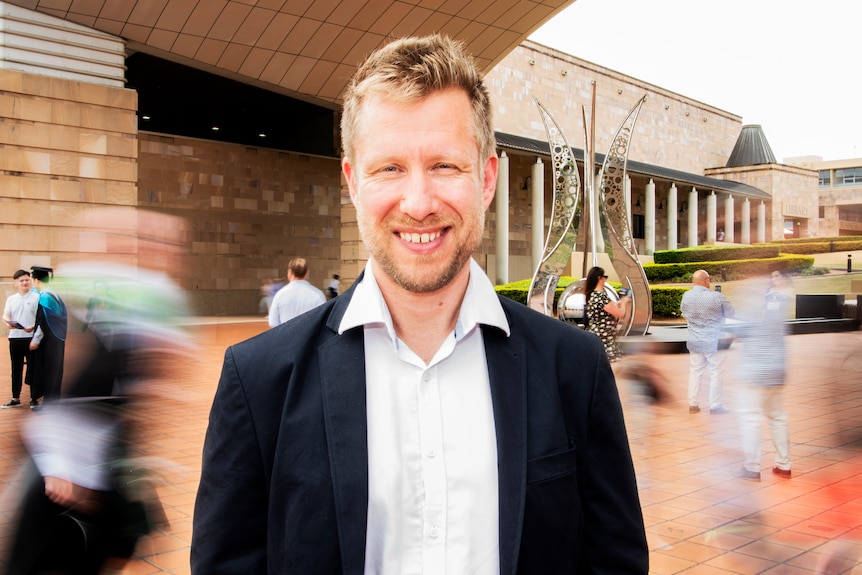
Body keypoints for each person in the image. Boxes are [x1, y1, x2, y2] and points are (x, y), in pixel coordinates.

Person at [192, 34, 647, 574]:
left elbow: (613, 561)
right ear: (352, 182)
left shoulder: (574, 368)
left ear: (487, 177)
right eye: (389, 168)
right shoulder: (259, 380)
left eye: (444, 166)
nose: (419, 203)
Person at [736, 270, 792, 481]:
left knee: (751, 418)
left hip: (754, 372)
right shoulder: (780, 305)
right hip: (777, 370)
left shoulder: (755, 304)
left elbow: (740, 329)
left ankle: (751, 467)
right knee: (778, 417)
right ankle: (784, 464)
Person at [680, 269, 735, 414]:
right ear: (706, 280)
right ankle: (715, 405)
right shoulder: (717, 297)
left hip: (694, 341)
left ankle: (693, 404)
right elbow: (731, 313)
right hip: (713, 341)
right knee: (716, 373)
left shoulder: (686, 296)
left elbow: (684, 313)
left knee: (695, 372)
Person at [28, 266, 67, 409]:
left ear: (36, 280)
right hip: (58, 339)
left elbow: (43, 322)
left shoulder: (44, 297)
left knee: (47, 370)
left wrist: (35, 340)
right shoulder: (54, 294)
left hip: (49, 341)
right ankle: (52, 401)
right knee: (55, 370)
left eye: (32, 280)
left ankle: (48, 404)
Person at [2, 270, 39, 408]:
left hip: (31, 338)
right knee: (16, 369)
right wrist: (8, 323)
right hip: (15, 338)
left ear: (30, 281)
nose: (24, 282)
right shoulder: (11, 299)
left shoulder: (36, 298)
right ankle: (15, 398)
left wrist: (33, 326)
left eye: (26, 280)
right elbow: (6, 315)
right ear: (15, 283)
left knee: (33, 369)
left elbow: (41, 319)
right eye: (21, 281)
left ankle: (34, 398)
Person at [584, 266, 629, 362]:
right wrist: (624, 302)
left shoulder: (592, 295)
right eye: (605, 276)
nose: (605, 279)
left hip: (597, 337)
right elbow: (620, 314)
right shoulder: (601, 297)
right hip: (605, 340)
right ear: (599, 278)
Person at [267, 258, 327, 327]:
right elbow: (322, 320)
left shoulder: (280, 294)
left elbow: (273, 322)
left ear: (290, 272)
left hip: (286, 335)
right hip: (309, 336)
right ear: (307, 272)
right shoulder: (318, 295)